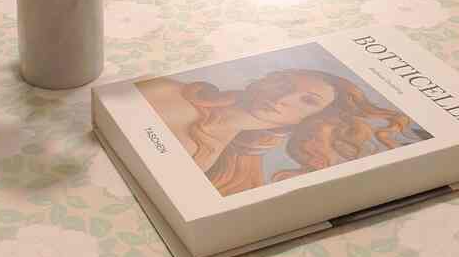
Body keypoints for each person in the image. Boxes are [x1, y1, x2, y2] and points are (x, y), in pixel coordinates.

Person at [137, 68, 413, 195]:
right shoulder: (165, 91)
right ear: (265, 80)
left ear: (311, 118)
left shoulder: (241, 173)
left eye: (308, 101)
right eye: (283, 84)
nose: (283, 98)